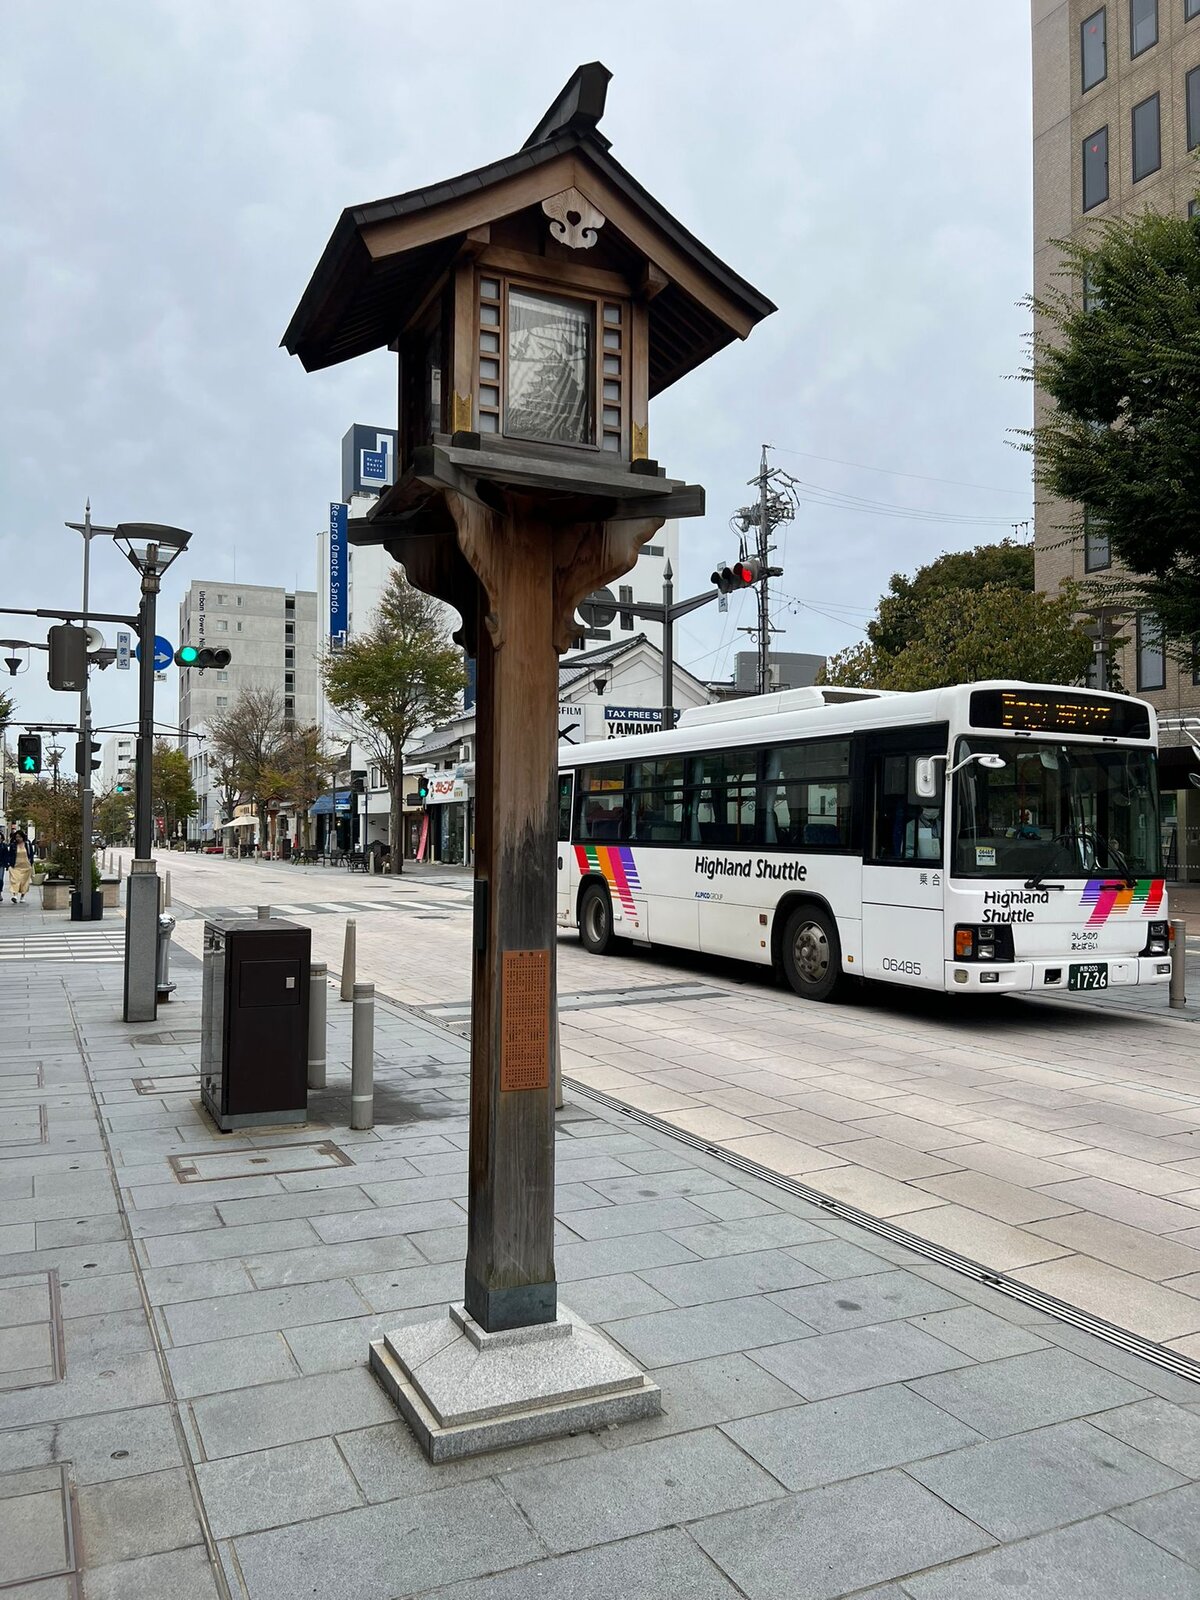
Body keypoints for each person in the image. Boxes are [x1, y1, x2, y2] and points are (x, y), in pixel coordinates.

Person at [8, 830, 33, 904]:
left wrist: (31, 863)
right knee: (15, 880)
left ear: (23, 837)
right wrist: (9, 863)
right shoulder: (13, 845)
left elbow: (31, 854)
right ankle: (15, 895)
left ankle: (22, 896)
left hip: (26, 866)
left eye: (19, 837)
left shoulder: (27, 844)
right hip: (15, 866)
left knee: (24, 882)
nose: (18, 838)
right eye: (16, 837)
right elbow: (10, 855)